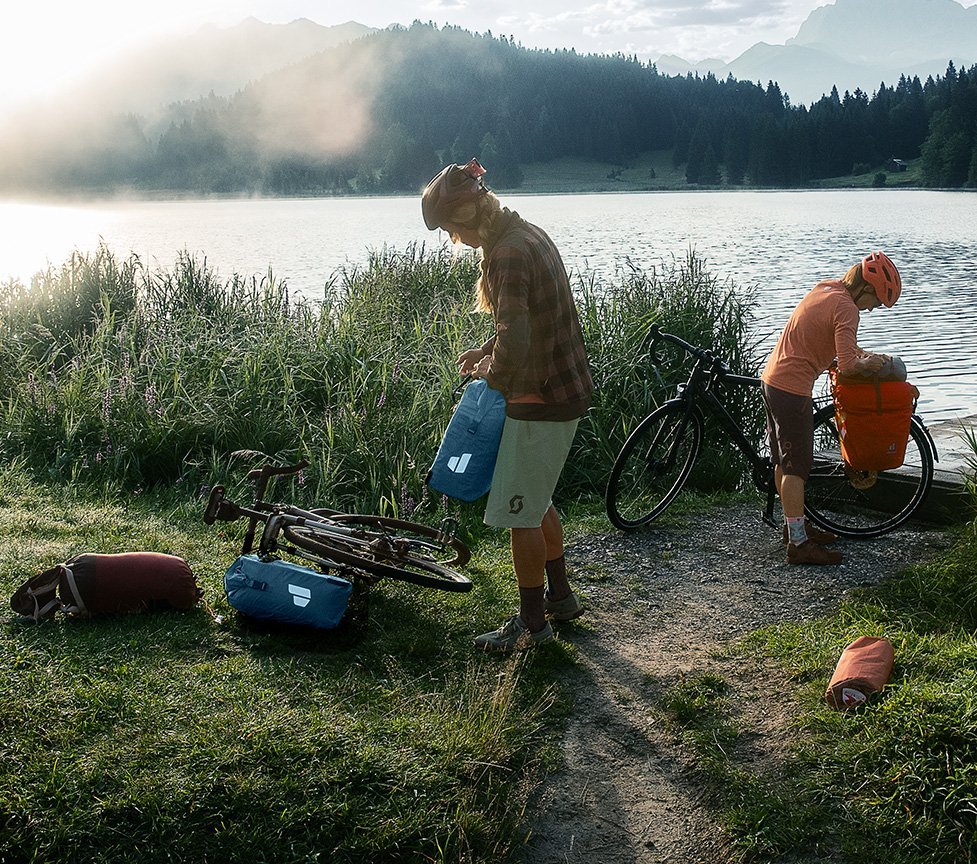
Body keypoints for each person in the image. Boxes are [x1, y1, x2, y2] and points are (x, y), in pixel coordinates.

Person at [421, 158, 594, 651]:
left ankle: (531, 626)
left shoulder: (506, 254)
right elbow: (522, 327)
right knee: (536, 501)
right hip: (562, 388)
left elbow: (517, 344)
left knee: (519, 511)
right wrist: (487, 349)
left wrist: (490, 374)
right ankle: (561, 599)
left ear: (470, 213)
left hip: (540, 396)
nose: (456, 240)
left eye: (453, 229)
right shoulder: (524, 233)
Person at [761, 251, 902, 566]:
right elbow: (850, 364)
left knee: (783, 462)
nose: (873, 308)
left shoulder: (826, 289)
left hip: (771, 381)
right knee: (797, 469)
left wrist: (858, 356)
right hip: (792, 389)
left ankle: (793, 526)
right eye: (876, 302)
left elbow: (835, 347)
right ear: (866, 289)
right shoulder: (848, 308)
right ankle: (798, 546)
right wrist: (873, 364)